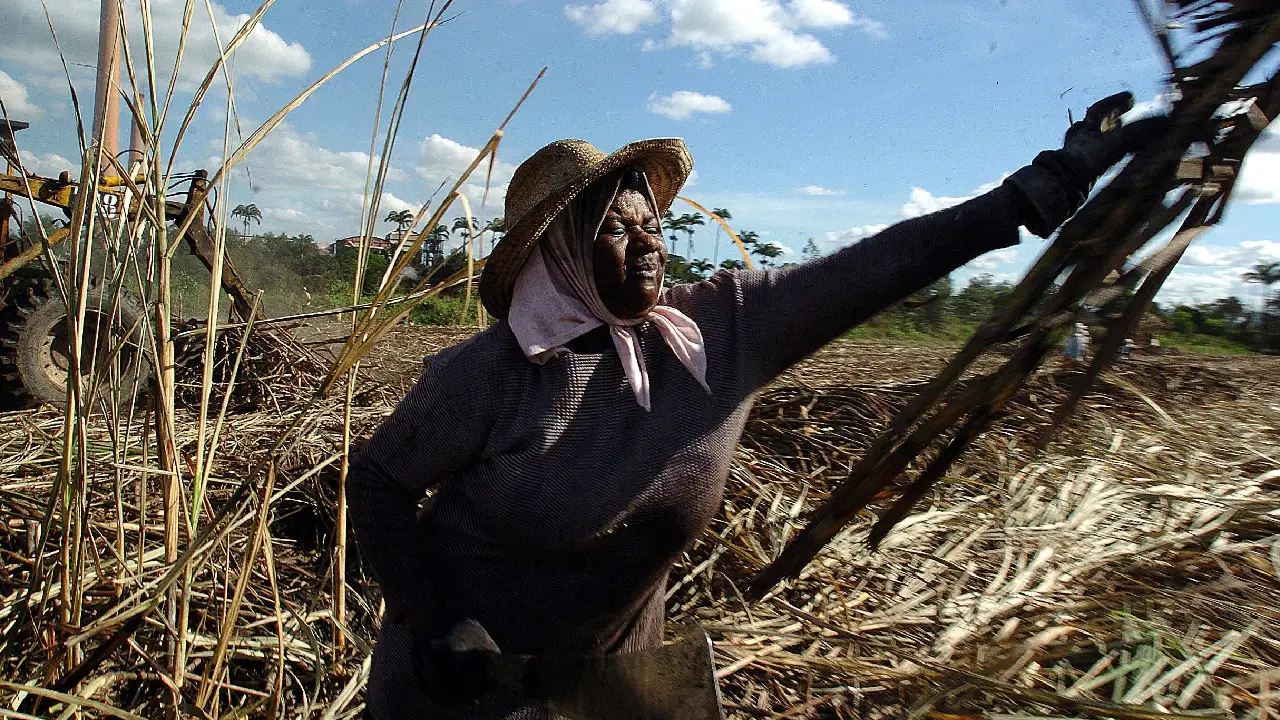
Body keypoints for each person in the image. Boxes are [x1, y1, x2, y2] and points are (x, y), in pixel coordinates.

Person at [349, 92, 1167, 719]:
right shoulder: (494, 373)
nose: (649, 242)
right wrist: (433, 613)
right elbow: (379, 478)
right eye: (615, 228)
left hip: (613, 689)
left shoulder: (722, 334)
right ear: (558, 250)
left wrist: (1040, 188)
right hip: (458, 686)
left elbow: (878, 265)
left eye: (653, 223)